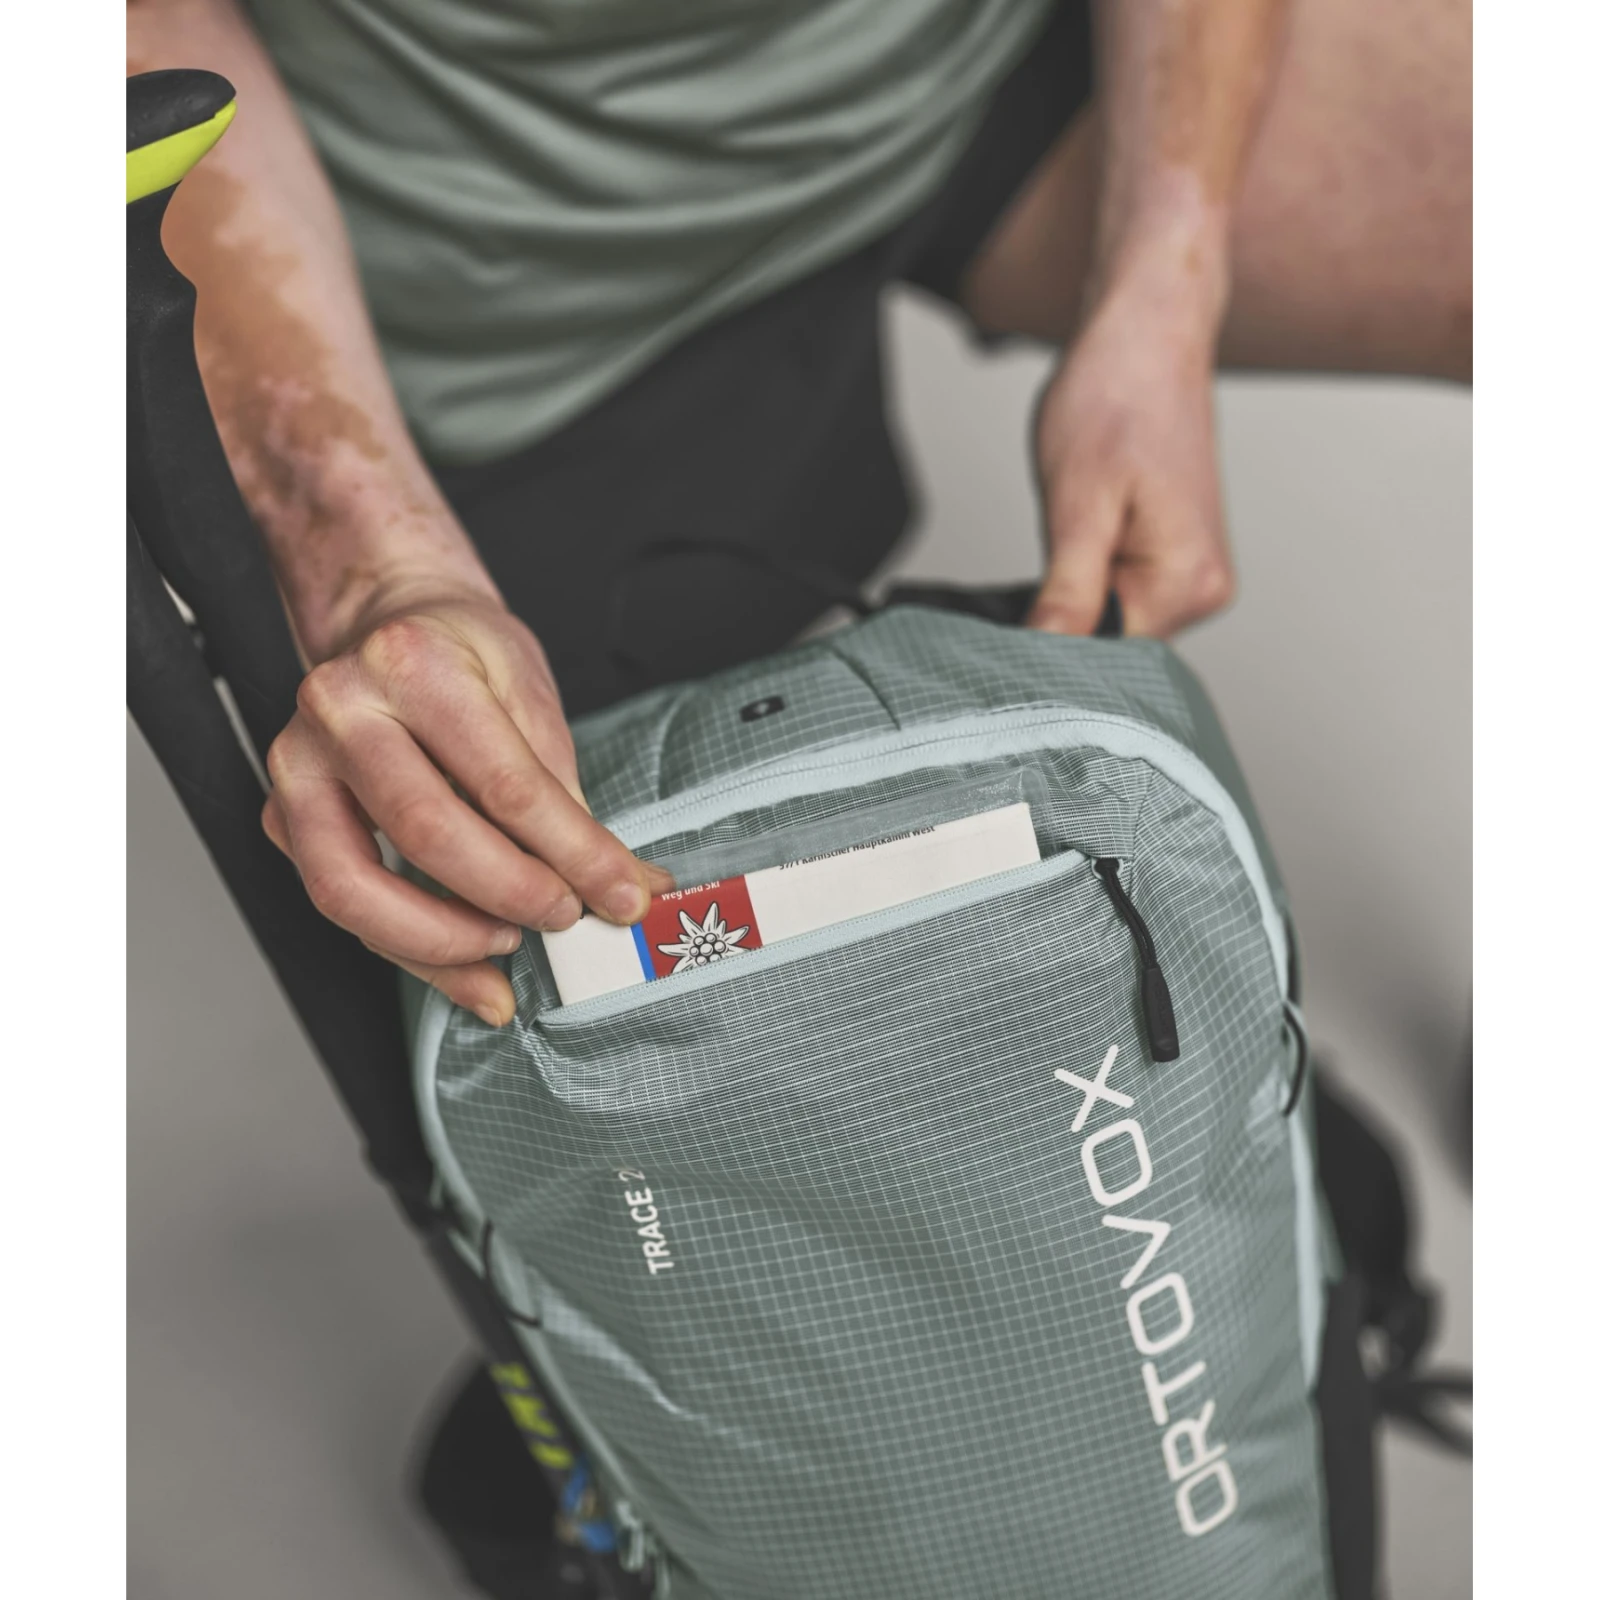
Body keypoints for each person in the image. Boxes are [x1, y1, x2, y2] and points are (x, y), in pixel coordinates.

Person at [127, 0, 1469, 1030]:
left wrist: (1164, 286)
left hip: (969, 58)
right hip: (480, 256)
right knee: (585, 947)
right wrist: (371, 562)